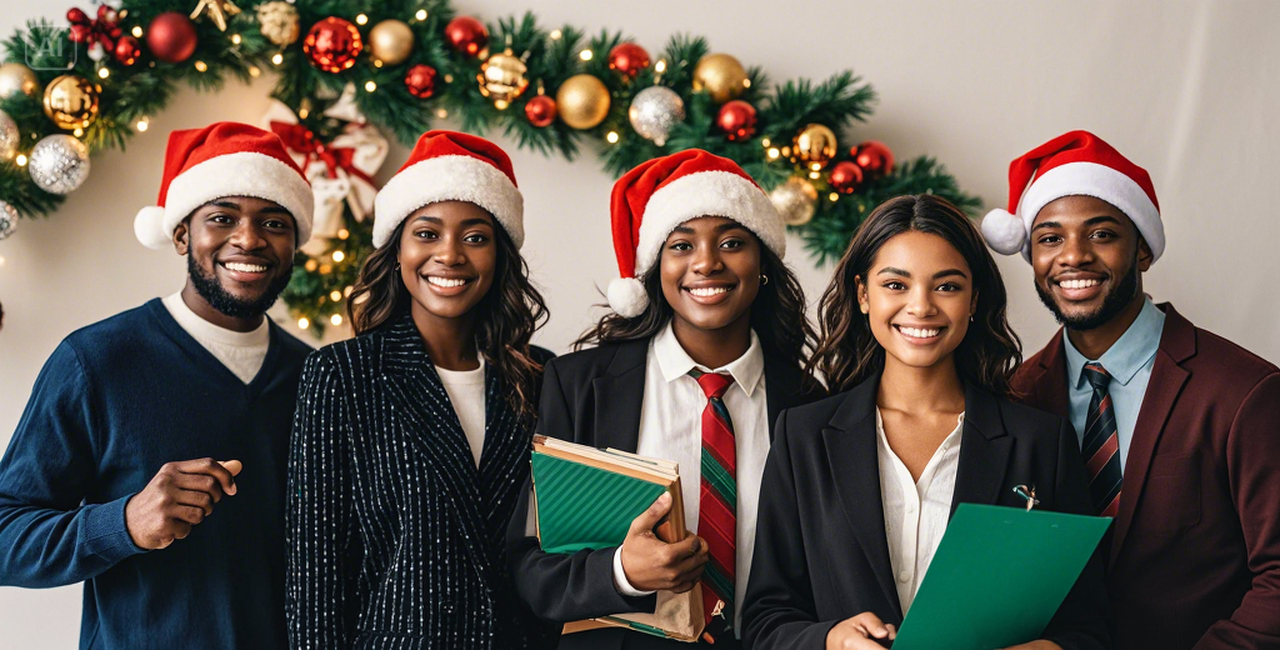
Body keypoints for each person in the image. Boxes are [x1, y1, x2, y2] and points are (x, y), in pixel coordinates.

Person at [744, 194, 1111, 650]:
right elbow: (766, 619)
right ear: (863, 294)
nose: (921, 307)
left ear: (974, 298)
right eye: (896, 285)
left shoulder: (1040, 441)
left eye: (947, 286)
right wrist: (831, 640)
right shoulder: (802, 436)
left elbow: (1089, 626)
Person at [0, 122, 315, 649]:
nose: (249, 238)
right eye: (222, 217)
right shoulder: (97, 361)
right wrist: (123, 523)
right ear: (181, 235)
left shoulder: (316, 376)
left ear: (294, 243)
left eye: (274, 222)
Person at [508, 149, 825, 650]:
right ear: (656, 267)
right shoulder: (579, 388)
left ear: (763, 262)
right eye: (681, 245)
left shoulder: (810, 404)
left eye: (732, 242)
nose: (707, 262)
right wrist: (621, 572)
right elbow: (530, 567)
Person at [981, 130, 1280, 650]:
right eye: (1050, 239)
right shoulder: (1015, 396)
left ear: (1141, 249)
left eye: (1101, 234)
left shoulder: (1245, 392)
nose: (1073, 257)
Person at [286, 131, 556, 649]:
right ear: (397, 250)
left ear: (499, 255)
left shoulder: (541, 375)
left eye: (475, 237)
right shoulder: (341, 375)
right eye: (427, 234)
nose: (449, 255)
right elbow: (314, 573)